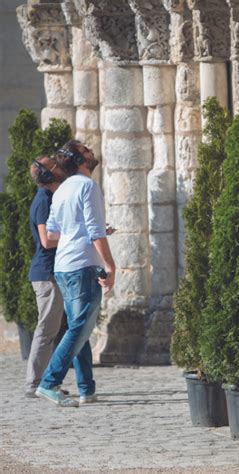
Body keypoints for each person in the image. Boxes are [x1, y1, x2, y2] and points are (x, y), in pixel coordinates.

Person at [35, 140, 116, 407]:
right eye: (84, 149)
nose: (90, 150)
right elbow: (93, 231)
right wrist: (110, 266)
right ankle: (49, 382)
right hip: (82, 265)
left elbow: (55, 232)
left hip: (63, 265)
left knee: (78, 328)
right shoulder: (88, 186)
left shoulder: (61, 191)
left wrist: (90, 232)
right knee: (80, 327)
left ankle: (86, 388)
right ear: (79, 159)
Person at [25, 156, 68, 398]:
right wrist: (76, 236)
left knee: (52, 329)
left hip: (51, 272)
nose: (59, 167)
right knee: (46, 329)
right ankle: (34, 383)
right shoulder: (43, 201)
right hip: (46, 274)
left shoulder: (52, 197)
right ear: (49, 174)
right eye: (54, 165)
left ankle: (46, 380)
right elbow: (46, 239)